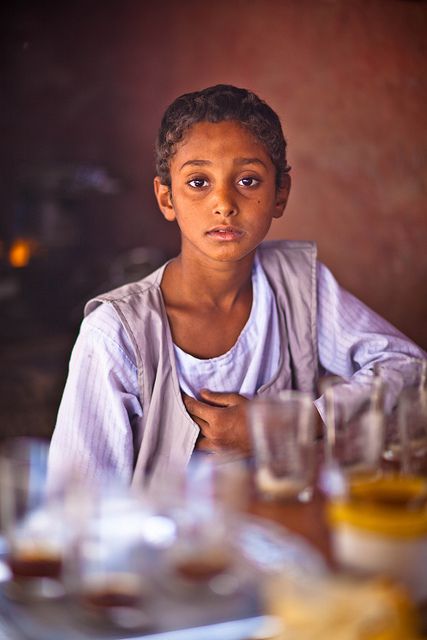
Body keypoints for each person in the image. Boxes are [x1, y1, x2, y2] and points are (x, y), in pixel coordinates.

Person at [48, 84, 426, 489]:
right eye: (198, 182)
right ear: (166, 198)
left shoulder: (299, 286)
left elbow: (410, 369)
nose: (224, 203)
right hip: (169, 550)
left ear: (280, 194)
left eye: (248, 180)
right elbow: (77, 505)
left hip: (283, 537)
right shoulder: (116, 334)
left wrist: (293, 422)